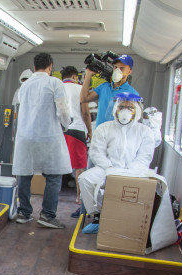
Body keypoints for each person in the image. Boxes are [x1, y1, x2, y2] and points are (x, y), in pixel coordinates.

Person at [77, 93, 155, 231]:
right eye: (122, 107)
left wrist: (130, 170)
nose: (125, 111)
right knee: (85, 179)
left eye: (130, 108)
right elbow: (96, 153)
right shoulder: (104, 128)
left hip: (133, 172)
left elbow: (145, 156)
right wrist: (110, 168)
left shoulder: (144, 131)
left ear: (137, 111)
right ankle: (99, 215)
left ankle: (131, 220)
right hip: (107, 169)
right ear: (115, 109)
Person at [12, 53, 72, 229]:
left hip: (26, 137)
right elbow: (62, 109)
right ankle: (47, 215)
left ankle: (24, 212)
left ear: (34, 66)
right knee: (53, 176)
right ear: (50, 66)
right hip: (48, 136)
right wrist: (66, 125)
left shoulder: (24, 86)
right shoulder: (55, 83)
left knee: (25, 175)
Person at [59, 66, 92, 217]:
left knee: (56, 166)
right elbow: (85, 112)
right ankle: (79, 197)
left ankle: (53, 195)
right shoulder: (80, 89)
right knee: (80, 167)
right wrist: (89, 130)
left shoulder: (57, 88)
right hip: (76, 129)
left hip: (59, 129)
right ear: (74, 76)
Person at [81, 54, 139, 128]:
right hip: (100, 131)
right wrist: (88, 75)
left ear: (129, 71)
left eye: (122, 68)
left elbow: (133, 120)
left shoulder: (132, 93)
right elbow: (84, 98)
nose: (117, 70)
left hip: (117, 133)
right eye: (115, 67)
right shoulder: (104, 86)